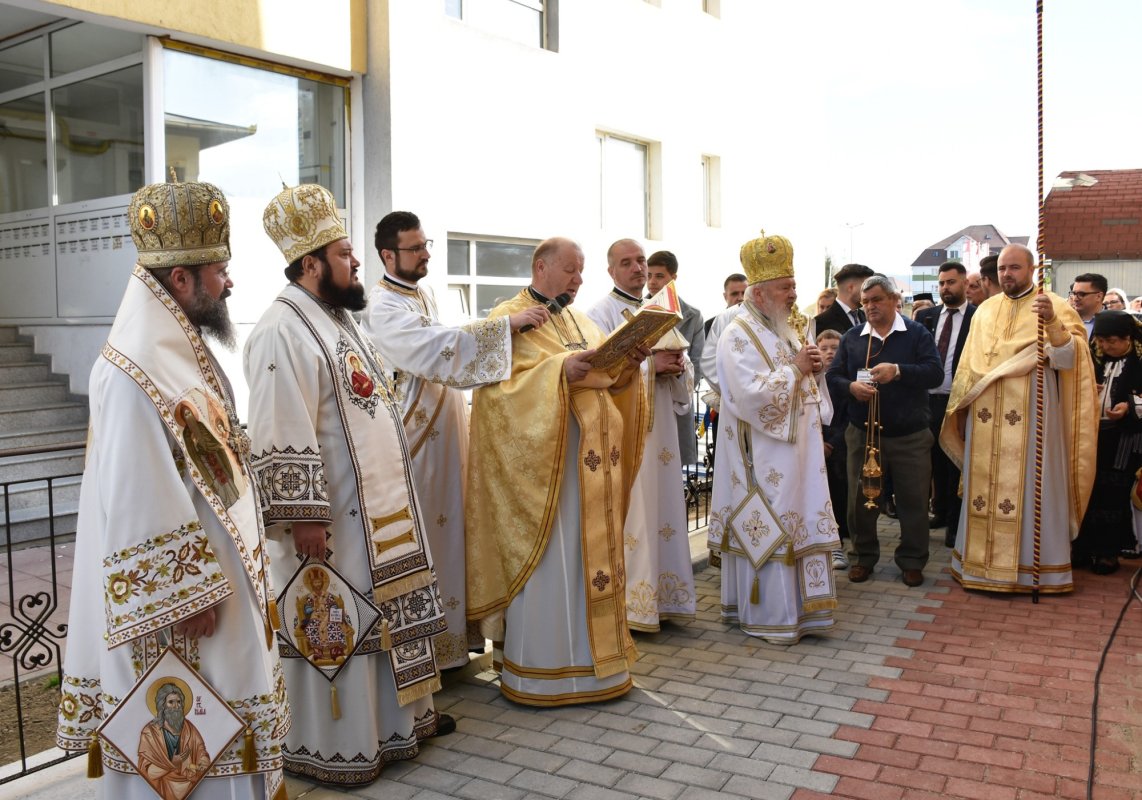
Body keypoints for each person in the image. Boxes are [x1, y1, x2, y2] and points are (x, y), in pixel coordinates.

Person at [56, 181, 289, 800]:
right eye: (220, 271)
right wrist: (184, 595)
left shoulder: (177, 351)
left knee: (231, 724)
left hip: (219, 584)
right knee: (193, 751)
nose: (229, 284)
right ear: (181, 280)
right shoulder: (133, 366)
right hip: (187, 610)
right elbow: (137, 490)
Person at [245, 184, 451, 786]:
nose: (356, 261)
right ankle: (345, 744)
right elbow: (281, 427)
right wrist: (302, 515)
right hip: (333, 519)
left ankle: (398, 726)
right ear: (310, 263)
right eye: (343, 253)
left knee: (384, 615)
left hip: (378, 510)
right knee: (343, 623)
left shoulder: (338, 319)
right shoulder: (283, 328)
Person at [360, 210, 546, 670]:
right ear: (388, 254)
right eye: (415, 248)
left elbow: (444, 340)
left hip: (444, 435)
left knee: (451, 532)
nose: (425, 254)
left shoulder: (419, 292)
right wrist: (505, 326)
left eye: (426, 246)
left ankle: (451, 641)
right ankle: (424, 652)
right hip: (415, 439)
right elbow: (432, 348)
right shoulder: (381, 306)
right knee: (429, 537)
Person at [466, 237, 648, 705]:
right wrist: (557, 372)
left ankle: (600, 666)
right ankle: (543, 670)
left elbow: (605, 377)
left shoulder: (579, 319)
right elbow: (495, 395)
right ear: (540, 267)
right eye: (570, 270)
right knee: (555, 564)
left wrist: (627, 365)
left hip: (593, 471)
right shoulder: (507, 318)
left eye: (581, 271)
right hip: (548, 478)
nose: (578, 280)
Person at [940, 243, 1096, 594]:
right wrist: (960, 413)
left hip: (1033, 418)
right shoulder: (985, 310)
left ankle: (1031, 569)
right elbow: (968, 370)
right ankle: (979, 568)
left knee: (1030, 489)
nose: (1006, 274)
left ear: (1032, 269)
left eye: (1014, 268)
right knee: (984, 489)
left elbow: (1071, 360)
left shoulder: (1052, 305)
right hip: (983, 419)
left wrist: (1053, 323)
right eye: (1002, 269)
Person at [707, 231, 839, 643]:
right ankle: (772, 618)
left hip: (796, 453)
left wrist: (812, 371)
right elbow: (746, 396)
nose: (793, 295)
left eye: (794, 286)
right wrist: (797, 370)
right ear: (760, 292)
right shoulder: (737, 334)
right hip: (762, 457)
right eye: (786, 288)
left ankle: (804, 612)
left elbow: (801, 382)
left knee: (799, 518)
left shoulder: (784, 328)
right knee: (775, 522)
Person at [590, 239, 696, 632]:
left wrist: (679, 367)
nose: (637, 269)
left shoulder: (660, 311)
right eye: (627, 263)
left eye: (642, 262)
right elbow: (601, 371)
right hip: (628, 432)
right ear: (611, 270)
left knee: (665, 511)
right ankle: (634, 607)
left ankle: (665, 599)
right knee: (636, 515)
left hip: (663, 431)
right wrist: (654, 365)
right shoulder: (599, 314)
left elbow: (684, 368)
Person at [827, 275, 944, 587]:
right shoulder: (853, 336)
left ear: (895, 300)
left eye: (877, 300)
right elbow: (832, 376)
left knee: (913, 501)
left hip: (909, 435)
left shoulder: (916, 333)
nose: (870, 307)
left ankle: (912, 561)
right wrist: (851, 387)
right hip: (863, 433)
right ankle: (862, 557)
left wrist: (899, 372)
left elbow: (935, 373)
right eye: (865, 302)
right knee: (860, 501)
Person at [1073, 311, 1142, 573]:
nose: (1104, 346)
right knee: (1086, 491)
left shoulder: (1139, 362)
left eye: (1111, 341)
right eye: (1101, 341)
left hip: (1123, 440)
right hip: (1091, 435)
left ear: (1128, 338)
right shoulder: (1095, 359)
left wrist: (1129, 406)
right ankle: (1082, 548)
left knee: (1111, 496)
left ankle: (1107, 553)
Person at [914, 262, 975, 546]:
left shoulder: (978, 317)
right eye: (941, 283)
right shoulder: (926, 317)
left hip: (958, 401)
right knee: (932, 460)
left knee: (954, 462)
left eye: (950, 282)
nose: (945, 288)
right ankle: (937, 511)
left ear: (964, 283)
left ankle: (954, 523)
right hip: (926, 399)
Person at [646, 249, 705, 466]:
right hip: (647, 395)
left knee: (673, 467)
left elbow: (698, 362)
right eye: (648, 275)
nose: (652, 282)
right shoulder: (637, 310)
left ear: (673, 278)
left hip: (676, 399)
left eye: (659, 276)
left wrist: (681, 384)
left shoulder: (692, 315)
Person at [138, 683, 210, 800]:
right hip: (162, 786)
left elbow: (201, 751)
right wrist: (172, 764)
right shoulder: (150, 732)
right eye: (171, 702)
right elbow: (148, 772)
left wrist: (202, 763)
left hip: (190, 783)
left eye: (179, 702)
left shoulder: (189, 728)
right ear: (162, 706)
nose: (176, 706)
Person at [817, 328, 850, 570]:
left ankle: (838, 545)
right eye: (824, 348)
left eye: (834, 348)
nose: (829, 353)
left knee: (837, 497)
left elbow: (848, 419)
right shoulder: (810, 378)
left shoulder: (844, 381)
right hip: (812, 446)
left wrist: (832, 444)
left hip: (838, 450)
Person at [814, 263, 876, 337]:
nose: (870, 292)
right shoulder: (821, 322)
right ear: (851, 288)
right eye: (867, 287)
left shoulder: (865, 316)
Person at [704, 272, 747, 337]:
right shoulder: (710, 326)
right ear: (725, 296)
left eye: (744, 293)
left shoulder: (762, 323)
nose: (741, 298)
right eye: (734, 294)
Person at [1069, 272, 1108, 339]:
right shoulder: (1065, 320)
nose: (1075, 298)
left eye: (1081, 294)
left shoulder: (1111, 323)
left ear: (1098, 296)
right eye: (1073, 293)